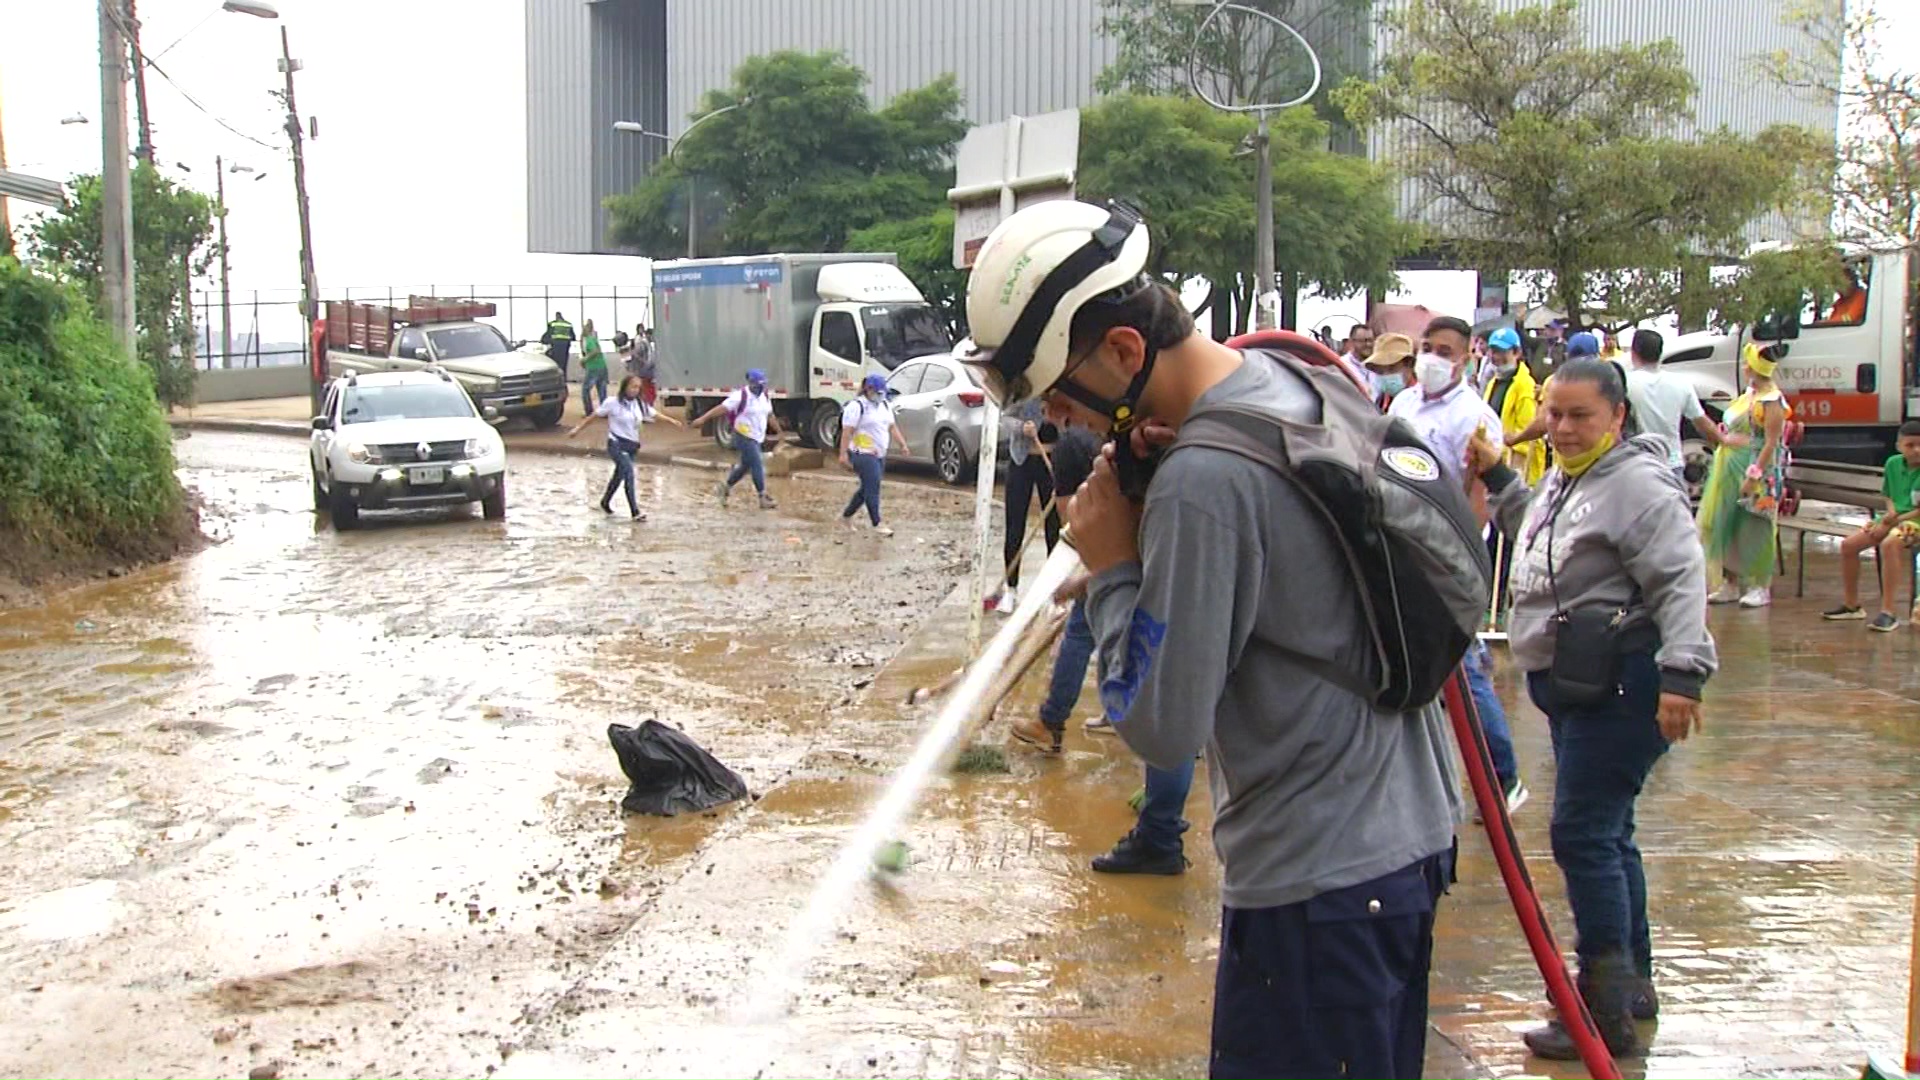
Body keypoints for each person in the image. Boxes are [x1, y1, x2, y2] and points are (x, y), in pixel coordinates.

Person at [965, 199, 1459, 1079]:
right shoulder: (1286, 377)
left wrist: (1116, 564)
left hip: (1318, 888)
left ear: (1123, 351)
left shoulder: (1207, 479)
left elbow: (1159, 727)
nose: (1063, 420)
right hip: (1405, 844)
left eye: (1062, 394)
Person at [1469, 358, 1716, 1060]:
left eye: (1580, 416)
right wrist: (1497, 475)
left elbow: (1679, 577)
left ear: (1616, 416)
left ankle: (1601, 1012)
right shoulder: (1569, 477)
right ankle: (1632, 986)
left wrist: (1682, 676)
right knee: (1610, 833)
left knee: (1582, 834)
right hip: (1577, 686)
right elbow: (1539, 533)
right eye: (1554, 413)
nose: (1564, 427)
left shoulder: (1636, 486)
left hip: (1625, 684)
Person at [1389, 315, 1528, 812]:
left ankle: (1503, 777)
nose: (1432, 358)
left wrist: (1452, 559)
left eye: (1445, 351)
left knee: (1463, 672)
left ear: (1466, 359)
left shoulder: (1474, 418)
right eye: (1428, 347)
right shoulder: (1404, 403)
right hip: (1401, 548)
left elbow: (1477, 497)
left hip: (1446, 558)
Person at [1011, 423, 1104, 754]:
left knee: (1081, 634)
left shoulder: (1074, 456)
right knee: (1113, 635)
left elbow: (1077, 527)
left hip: (1123, 563)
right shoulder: (1112, 448)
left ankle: (1051, 723)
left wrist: (1078, 582)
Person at [1697, 343, 1790, 608]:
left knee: (1756, 524)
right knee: (1725, 522)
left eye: (1747, 362)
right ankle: (1731, 581)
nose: (1744, 366)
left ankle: (1760, 584)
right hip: (1729, 465)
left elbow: (1772, 442)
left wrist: (1755, 474)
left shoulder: (1772, 400)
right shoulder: (1749, 394)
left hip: (1756, 468)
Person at [1823, 420, 1920, 629]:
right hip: (1892, 518)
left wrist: (1893, 521)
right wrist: (1890, 515)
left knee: (1890, 544)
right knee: (1849, 544)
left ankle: (1888, 611)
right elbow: (1888, 496)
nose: (1916, 450)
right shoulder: (1893, 464)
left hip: (1915, 523)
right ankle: (1852, 605)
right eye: (1910, 445)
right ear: (1899, 446)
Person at [565, 374, 682, 521]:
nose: (635, 390)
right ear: (624, 387)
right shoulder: (612, 403)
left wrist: (672, 421)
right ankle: (635, 511)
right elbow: (594, 416)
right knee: (629, 474)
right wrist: (577, 429)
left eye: (638, 388)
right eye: (633, 386)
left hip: (632, 445)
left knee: (619, 475)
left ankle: (605, 501)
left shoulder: (639, 404)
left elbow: (654, 414)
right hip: (616, 444)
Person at [1623, 328, 1722, 484]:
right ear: (1660, 353)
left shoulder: (1626, 385)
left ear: (1634, 353)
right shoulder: (1681, 384)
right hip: (1672, 466)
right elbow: (1703, 423)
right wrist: (1724, 441)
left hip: (1639, 465)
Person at [997, 398, 1060, 612]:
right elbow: (1004, 417)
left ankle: (1054, 591)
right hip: (1021, 461)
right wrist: (1021, 427)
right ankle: (1011, 589)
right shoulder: (1023, 390)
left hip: (1052, 460)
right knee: (1015, 526)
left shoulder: (1059, 392)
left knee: (1054, 526)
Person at [691, 369, 782, 510]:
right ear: (751, 383)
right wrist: (703, 419)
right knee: (757, 461)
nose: (760, 387)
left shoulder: (764, 396)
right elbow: (721, 408)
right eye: (758, 385)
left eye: (762, 384)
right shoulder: (740, 396)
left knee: (746, 465)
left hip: (757, 436)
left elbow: (770, 415)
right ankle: (762, 496)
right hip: (743, 435)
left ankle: (725, 486)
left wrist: (779, 432)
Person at [838, 374, 909, 536]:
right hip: (862, 453)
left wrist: (902, 444)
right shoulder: (856, 407)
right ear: (867, 389)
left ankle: (846, 516)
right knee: (873, 487)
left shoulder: (884, 405)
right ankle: (876, 523)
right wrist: (843, 455)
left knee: (867, 488)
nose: (880, 395)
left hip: (879, 453)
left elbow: (892, 427)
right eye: (877, 392)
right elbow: (847, 432)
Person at [1362, 331, 1416, 410]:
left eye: (1391, 368)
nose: (1386, 375)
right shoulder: (1381, 401)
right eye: (1380, 371)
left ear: (1409, 364)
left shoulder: (1422, 400)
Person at [579, 320, 609, 414]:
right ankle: (604, 410)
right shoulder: (593, 338)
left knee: (585, 390)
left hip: (594, 367)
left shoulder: (588, 340)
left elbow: (595, 351)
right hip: (602, 365)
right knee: (602, 389)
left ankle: (588, 410)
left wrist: (585, 359)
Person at [1337, 323, 1376, 391]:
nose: (1368, 344)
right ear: (1352, 341)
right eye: (1363, 341)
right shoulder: (1342, 366)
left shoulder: (1378, 366)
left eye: (1371, 340)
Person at [540, 311, 575, 382]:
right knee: (564, 364)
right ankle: (563, 379)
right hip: (565, 347)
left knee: (555, 363)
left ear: (556, 316)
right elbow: (573, 337)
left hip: (555, 346)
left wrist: (544, 341)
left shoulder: (552, 324)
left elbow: (548, 335)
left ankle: (555, 380)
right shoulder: (568, 324)